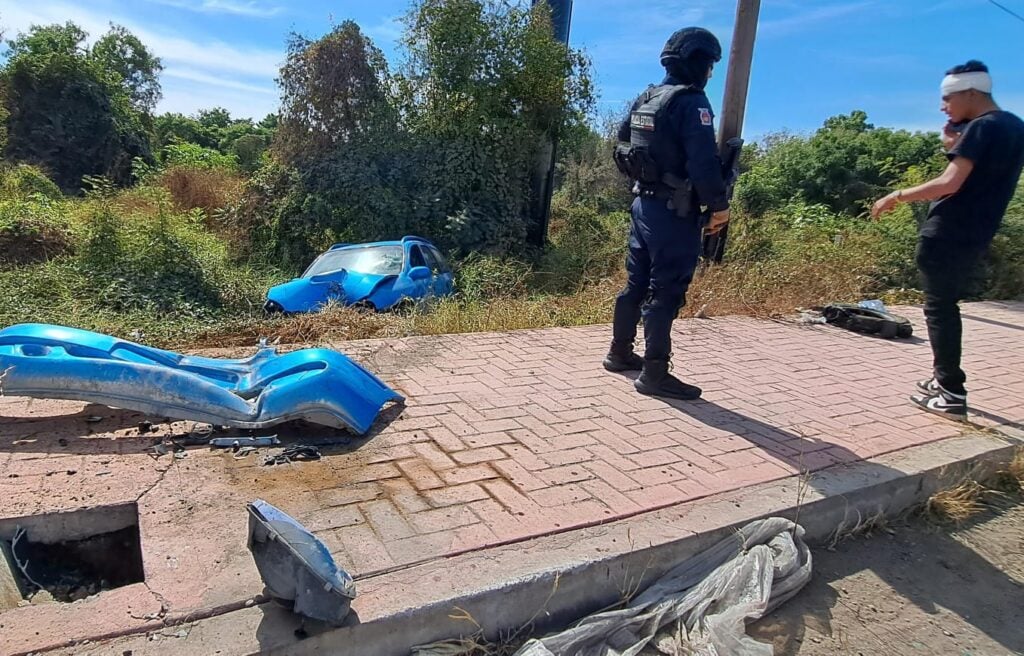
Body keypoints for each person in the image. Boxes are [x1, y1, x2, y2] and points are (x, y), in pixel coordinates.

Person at [871, 60, 1024, 419]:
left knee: (939, 309)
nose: (943, 107)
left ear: (972, 92)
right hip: (978, 231)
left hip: (948, 230)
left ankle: (951, 392)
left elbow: (950, 183)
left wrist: (897, 195)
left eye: (947, 98)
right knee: (945, 305)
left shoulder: (982, 128)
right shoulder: (1014, 126)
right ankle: (943, 379)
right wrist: (954, 141)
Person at [604, 27, 730, 401]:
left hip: (643, 205)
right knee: (667, 290)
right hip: (675, 212)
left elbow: (623, 142)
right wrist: (719, 206)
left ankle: (620, 352)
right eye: (709, 66)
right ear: (696, 63)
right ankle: (656, 374)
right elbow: (704, 163)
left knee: (635, 284)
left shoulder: (648, 98)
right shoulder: (693, 103)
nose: (709, 74)